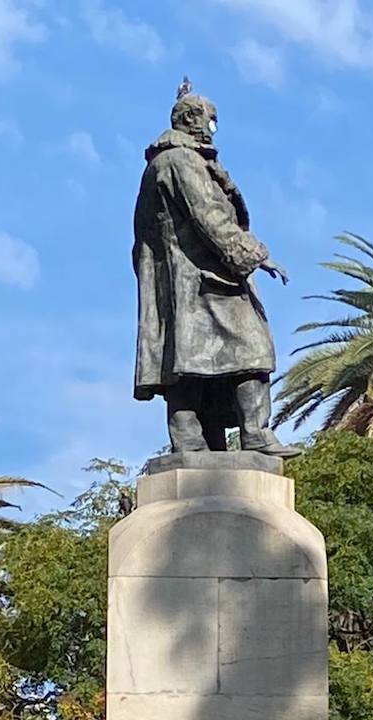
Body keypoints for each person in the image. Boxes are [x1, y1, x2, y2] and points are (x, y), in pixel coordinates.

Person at [133, 81, 300, 458]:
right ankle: (251, 434)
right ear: (192, 119)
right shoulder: (180, 161)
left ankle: (198, 442)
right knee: (250, 349)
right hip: (203, 281)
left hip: (197, 280)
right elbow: (208, 215)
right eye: (212, 119)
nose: (214, 127)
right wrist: (255, 255)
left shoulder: (178, 160)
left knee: (190, 361)